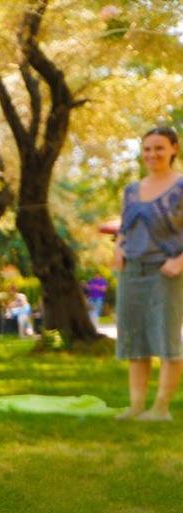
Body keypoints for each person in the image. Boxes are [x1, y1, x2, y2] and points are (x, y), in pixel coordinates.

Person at [114, 126, 183, 422]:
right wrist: (118, 249)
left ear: (174, 149)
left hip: (166, 271)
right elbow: (124, 228)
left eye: (159, 148)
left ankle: (161, 408)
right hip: (131, 271)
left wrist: (180, 260)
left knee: (166, 341)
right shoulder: (131, 190)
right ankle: (136, 406)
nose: (152, 154)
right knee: (134, 340)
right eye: (147, 149)